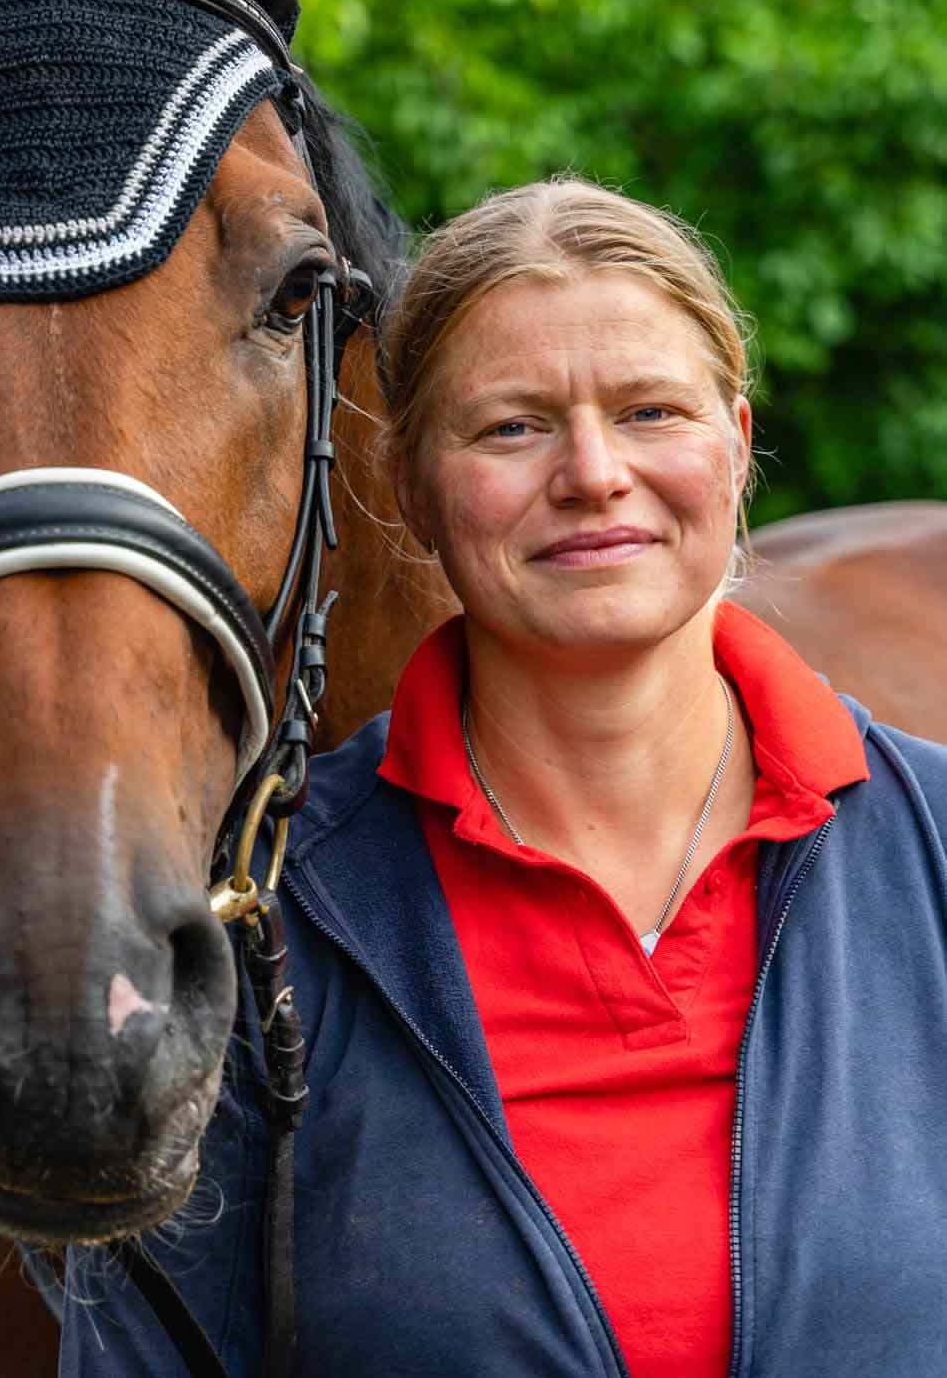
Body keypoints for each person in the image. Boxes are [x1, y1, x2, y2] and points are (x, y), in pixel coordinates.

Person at [58, 176, 947, 1377]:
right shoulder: (258, 926)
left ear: (734, 447)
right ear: (412, 489)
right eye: (511, 426)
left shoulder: (930, 847)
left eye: (647, 410)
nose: (591, 472)